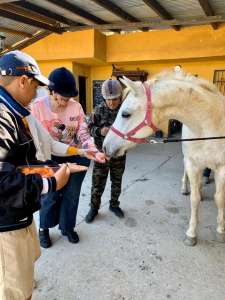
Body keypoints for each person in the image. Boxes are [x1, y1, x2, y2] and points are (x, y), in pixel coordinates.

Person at [0, 51, 71, 300]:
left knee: (25, 281)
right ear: (22, 81)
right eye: (36, 85)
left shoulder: (14, 113)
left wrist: (48, 169)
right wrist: (49, 182)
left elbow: (19, 163)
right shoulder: (2, 117)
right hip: (5, 227)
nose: (37, 93)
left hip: (18, 216)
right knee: (16, 293)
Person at [30, 67, 105, 248]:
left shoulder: (76, 106)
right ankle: (44, 229)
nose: (65, 103)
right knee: (50, 195)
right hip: (49, 157)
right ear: (52, 92)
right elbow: (37, 142)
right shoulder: (36, 108)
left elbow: (84, 134)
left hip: (75, 155)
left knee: (72, 195)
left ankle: (67, 227)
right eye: (61, 98)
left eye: (68, 98)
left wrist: (93, 150)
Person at [85, 79, 126, 223]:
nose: (112, 103)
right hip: (101, 155)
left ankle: (114, 205)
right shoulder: (98, 110)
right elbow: (87, 129)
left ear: (120, 97)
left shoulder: (124, 111)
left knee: (117, 181)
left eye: (114, 99)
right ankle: (94, 208)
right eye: (108, 99)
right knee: (97, 184)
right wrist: (99, 131)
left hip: (119, 155)